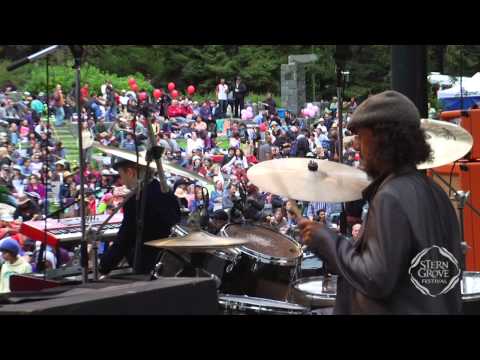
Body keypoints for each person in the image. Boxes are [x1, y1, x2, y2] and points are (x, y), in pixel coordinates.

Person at [298, 90, 462, 314]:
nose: (356, 146)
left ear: (382, 138)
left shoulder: (391, 196)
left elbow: (376, 279)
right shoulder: (437, 192)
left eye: (360, 136)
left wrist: (327, 240)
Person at [99, 156, 181, 275]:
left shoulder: (136, 200)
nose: (122, 181)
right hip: (170, 260)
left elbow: (125, 239)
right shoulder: (165, 191)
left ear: (131, 172)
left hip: (147, 266)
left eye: (122, 175)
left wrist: (104, 266)